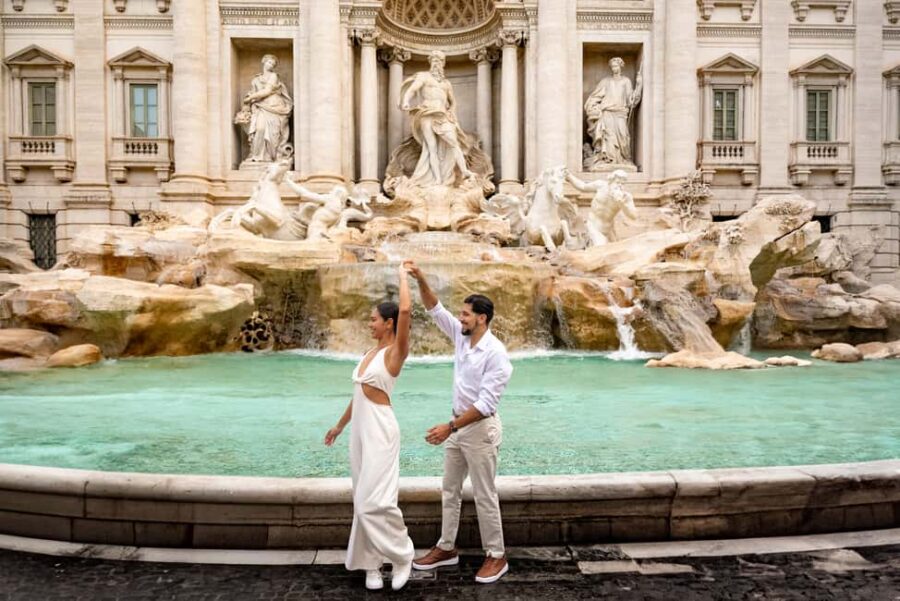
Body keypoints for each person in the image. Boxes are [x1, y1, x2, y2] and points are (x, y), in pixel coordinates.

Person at [404, 260, 513, 585]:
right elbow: (434, 308)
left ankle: (497, 555)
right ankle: (446, 547)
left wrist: (449, 428)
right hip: (457, 427)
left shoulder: (497, 354)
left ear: (481, 318)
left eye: (465, 314)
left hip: (478, 430)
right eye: (461, 314)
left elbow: (485, 405)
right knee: (449, 490)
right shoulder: (462, 336)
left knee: (484, 494)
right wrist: (421, 277)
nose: (460, 318)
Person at [323, 264, 415, 591]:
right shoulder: (368, 353)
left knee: (374, 502)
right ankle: (371, 565)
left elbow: (406, 308)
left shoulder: (394, 352)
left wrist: (403, 274)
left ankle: (402, 554)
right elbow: (358, 395)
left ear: (389, 323)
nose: (369, 323)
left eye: (373, 318)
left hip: (380, 432)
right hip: (360, 433)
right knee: (361, 498)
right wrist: (339, 426)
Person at [399, 50, 476, 186]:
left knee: (454, 143)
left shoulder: (446, 84)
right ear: (430, 62)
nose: (436, 63)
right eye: (434, 60)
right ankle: (437, 179)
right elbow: (412, 89)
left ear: (443, 64)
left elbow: (452, 102)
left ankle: (464, 171)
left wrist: (452, 113)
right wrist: (406, 100)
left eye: (439, 61)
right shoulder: (424, 77)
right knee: (431, 147)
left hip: (442, 115)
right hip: (426, 113)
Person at [584, 57, 641, 166]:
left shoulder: (626, 81)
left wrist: (638, 85)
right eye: (613, 66)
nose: (614, 68)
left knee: (623, 136)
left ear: (621, 66)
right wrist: (593, 107)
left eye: (616, 66)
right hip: (607, 113)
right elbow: (595, 96)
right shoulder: (605, 81)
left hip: (621, 113)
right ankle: (609, 160)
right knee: (609, 137)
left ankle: (623, 159)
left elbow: (631, 100)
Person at [237, 54, 293, 163]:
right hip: (261, 107)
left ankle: (270, 157)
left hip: (274, 106)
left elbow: (267, 91)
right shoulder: (256, 79)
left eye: (273, 64)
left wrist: (250, 98)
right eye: (269, 62)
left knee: (273, 135)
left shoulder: (274, 76)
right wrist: (247, 103)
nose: (270, 65)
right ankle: (256, 155)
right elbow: (252, 93)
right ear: (264, 62)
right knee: (260, 129)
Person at [565, 168, 637, 246]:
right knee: (600, 248)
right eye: (617, 182)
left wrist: (622, 205)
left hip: (608, 230)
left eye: (623, 184)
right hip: (593, 225)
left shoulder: (625, 197)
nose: (620, 186)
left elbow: (633, 216)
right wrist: (569, 176)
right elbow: (583, 186)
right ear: (611, 181)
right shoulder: (601, 185)